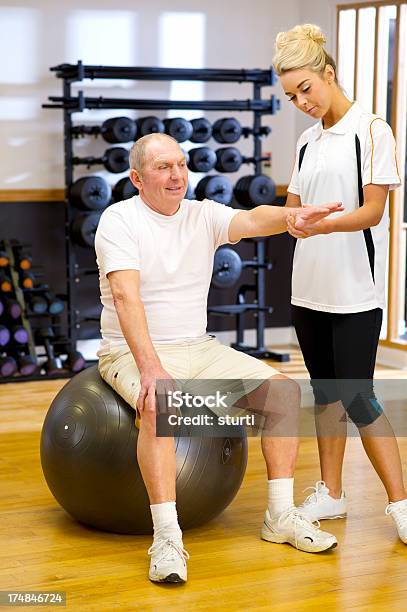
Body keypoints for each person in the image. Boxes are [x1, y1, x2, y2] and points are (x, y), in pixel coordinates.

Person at [94, 132, 342, 584]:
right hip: (130, 351)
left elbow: (251, 219)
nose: (176, 176)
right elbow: (126, 298)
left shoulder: (201, 215)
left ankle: (280, 517)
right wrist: (152, 370)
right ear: (136, 178)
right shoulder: (119, 220)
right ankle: (167, 537)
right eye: (163, 167)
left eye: (181, 165)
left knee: (283, 393)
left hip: (198, 347)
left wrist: (291, 216)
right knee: (161, 403)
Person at [272, 23, 407, 543]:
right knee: (326, 394)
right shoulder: (307, 142)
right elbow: (293, 210)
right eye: (290, 95)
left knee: (359, 397)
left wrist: (321, 222)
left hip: (355, 291)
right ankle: (331, 492)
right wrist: (292, 219)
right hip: (308, 288)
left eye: (306, 88)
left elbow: (373, 212)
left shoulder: (372, 130)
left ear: (328, 73)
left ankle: (399, 504)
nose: (301, 101)